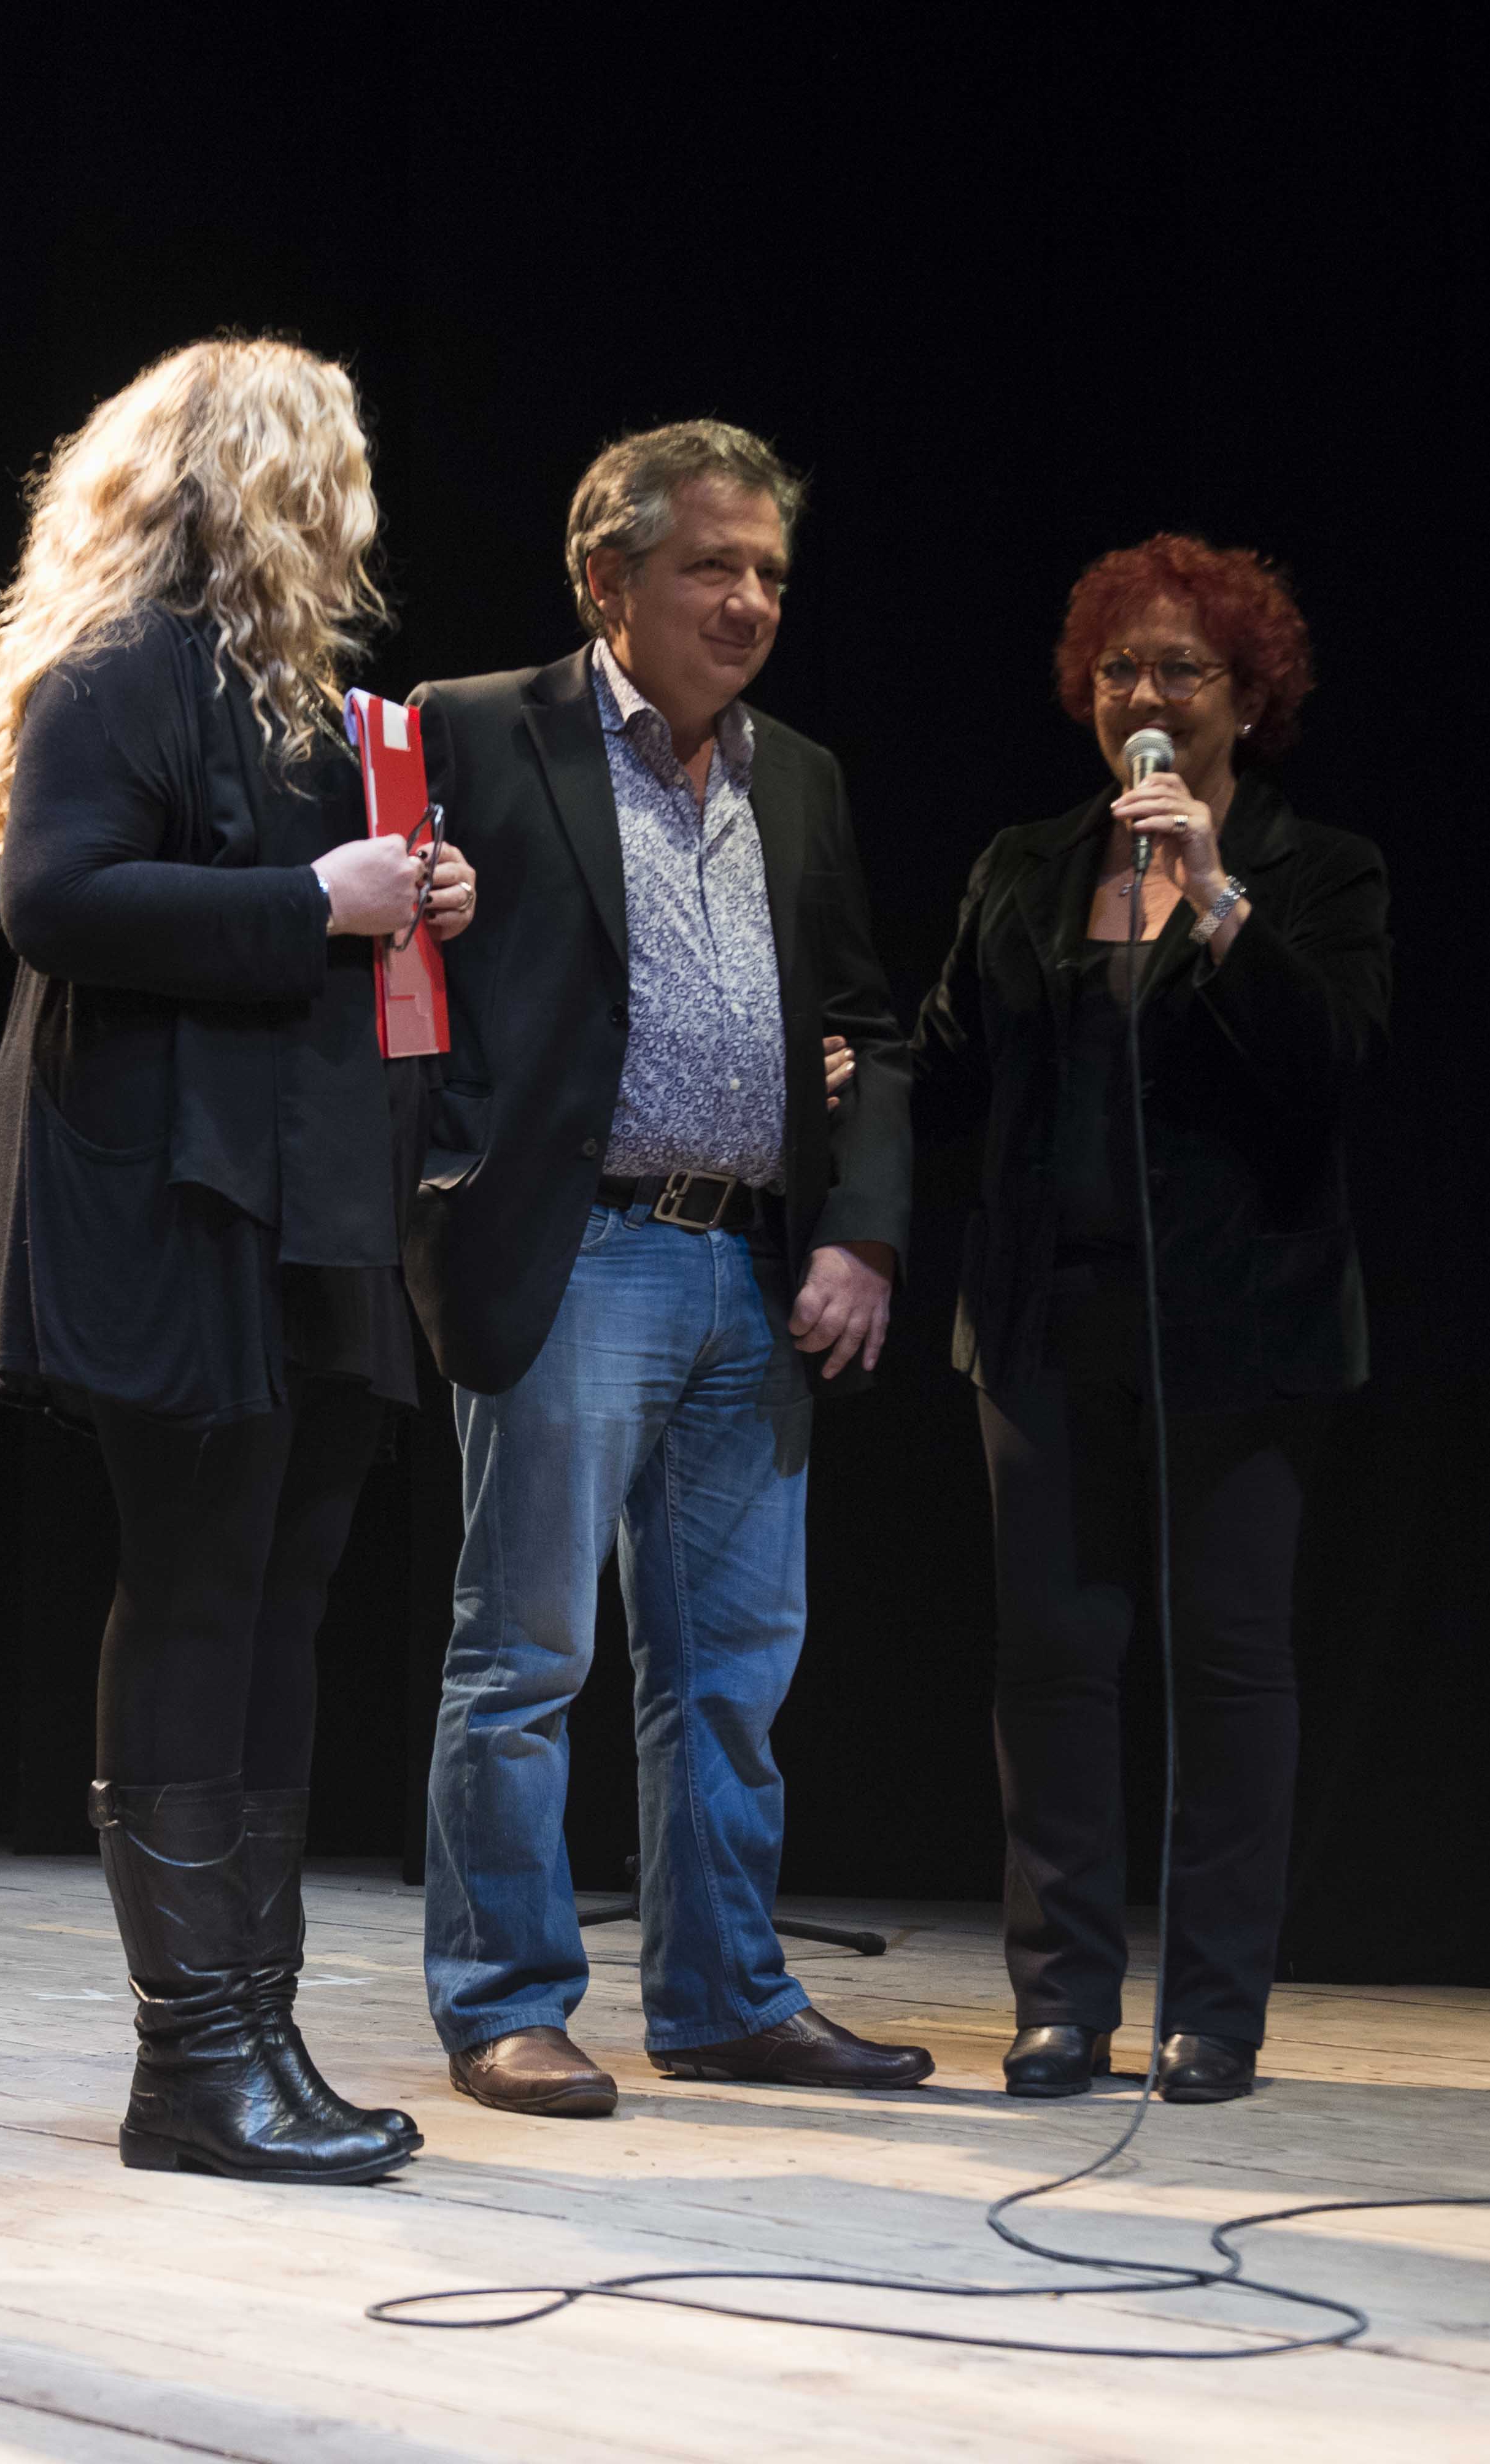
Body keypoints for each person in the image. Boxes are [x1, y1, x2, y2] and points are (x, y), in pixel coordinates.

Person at [0, 339, 480, 2183]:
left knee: (286, 1581)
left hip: (305, 1192)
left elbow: (325, 918)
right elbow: (54, 897)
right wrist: (311, 900)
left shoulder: (300, 704)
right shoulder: (121, 668)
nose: (354, 512)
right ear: (253, 484)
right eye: (330, 474)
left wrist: (411, 895)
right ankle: (190, 2061)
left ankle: (255, 2028)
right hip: (174, 1189)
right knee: (200, 1578)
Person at [404, 422, 924, 2116]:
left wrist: (859, 1228)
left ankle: (723, 1998)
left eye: (768, 570)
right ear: (606, 578)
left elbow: (866, 1026)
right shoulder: (475, 728)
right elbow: (392, 971)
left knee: (732, 1675)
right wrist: (445, 1173)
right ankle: (504, 2002)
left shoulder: (801, 775)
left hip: (750, 1265)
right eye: (712, 565)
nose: (749, 599)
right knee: (526, 1656)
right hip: (577, 1251)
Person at [915, 534, 1389, 2106]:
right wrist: (851, 1071)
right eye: (1119, 667)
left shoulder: (1318, 871)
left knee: (1226, 1666)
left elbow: (1328, 1069)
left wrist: (1216, 892)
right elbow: (951, 1063)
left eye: (1181, 668)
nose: (1145, 694)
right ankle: (1059, 2002)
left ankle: (1213, 2013)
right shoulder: (1026, 863)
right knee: (1053, 1660)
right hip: (1044, 1321)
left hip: (1240, 1332)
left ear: (1246, 698)